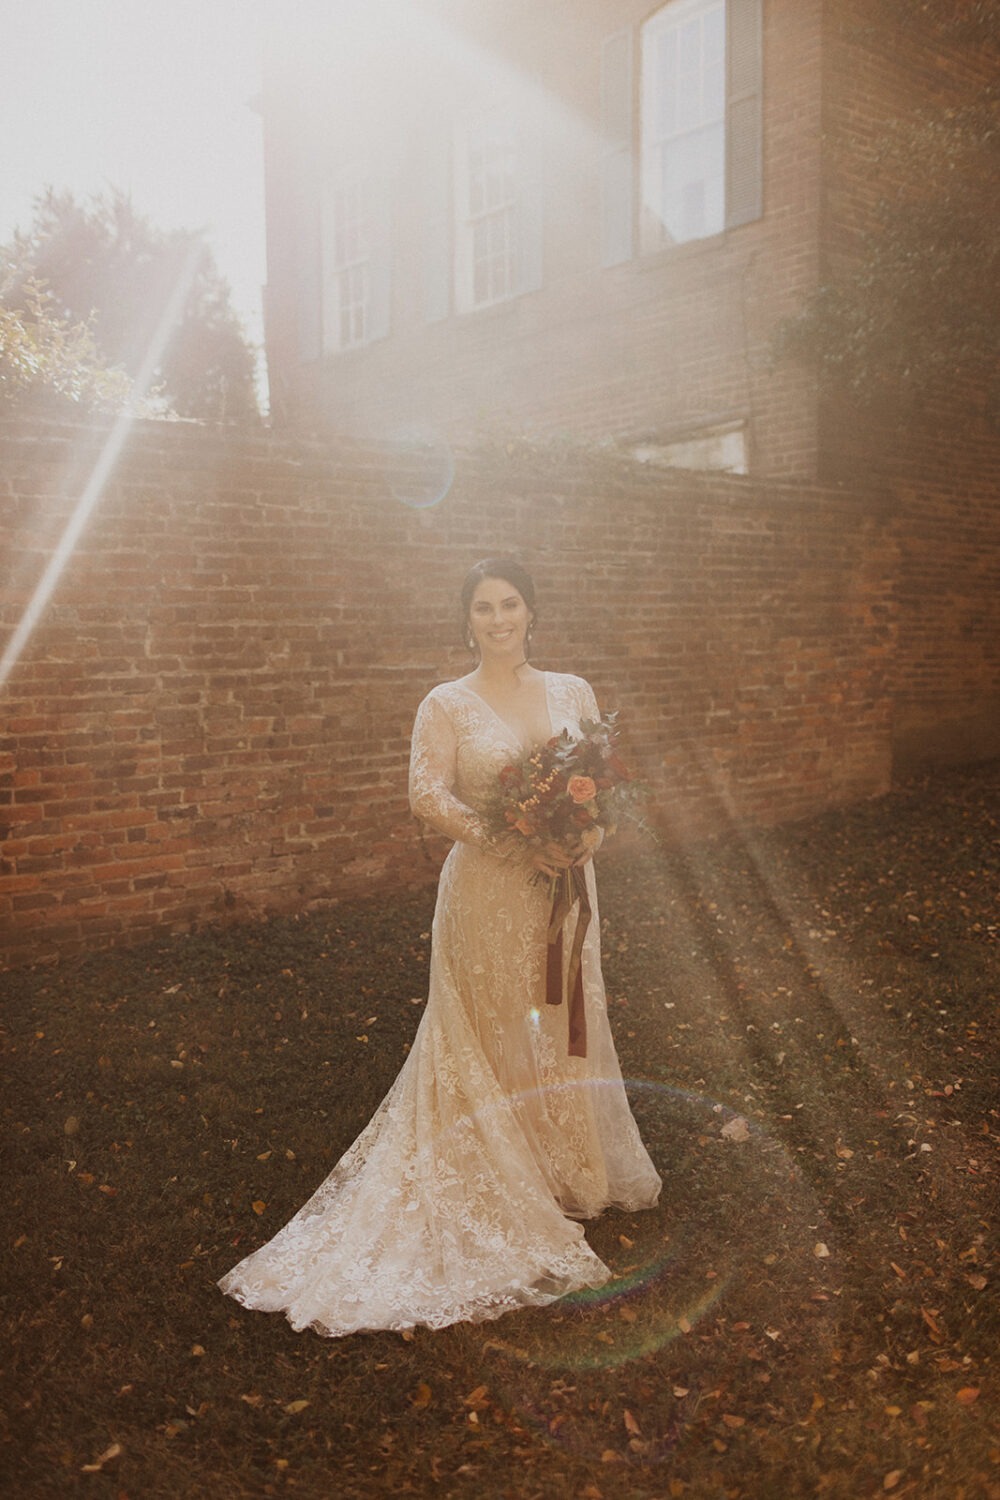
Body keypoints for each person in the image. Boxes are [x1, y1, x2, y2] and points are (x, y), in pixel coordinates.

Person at [218, 558, 660, 1336]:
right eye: (484, 608)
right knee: (492, 1028)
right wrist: (512, 837)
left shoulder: (573, 693)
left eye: (511, 603)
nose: (499, 619)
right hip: (487, 892)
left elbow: (604, 785)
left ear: (532, 611)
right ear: (467, 621)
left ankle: (564, 1169)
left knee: (562, 1021)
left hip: (567, 890)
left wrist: (581, 836)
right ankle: (499, 1173)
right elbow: (426, 793)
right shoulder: (445, 703)